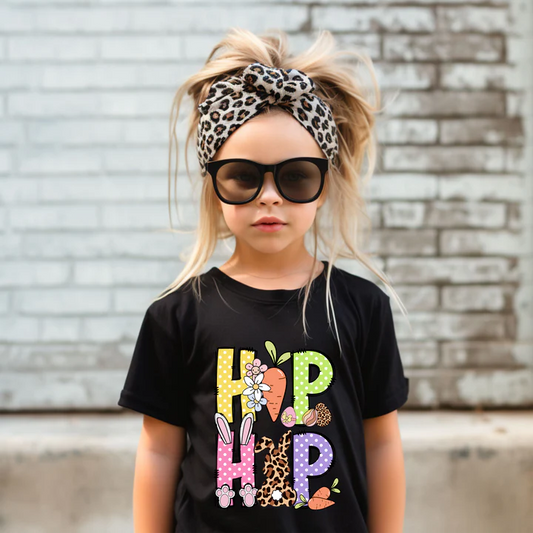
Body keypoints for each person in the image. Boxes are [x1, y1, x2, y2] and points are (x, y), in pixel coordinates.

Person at [118, 27, 410, 533]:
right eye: (243, 176)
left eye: (296, 176)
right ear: (214, 188)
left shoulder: (362, 308)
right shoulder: (176, 316)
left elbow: (381, 442)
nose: (269, 196)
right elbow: (159, 451)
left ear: (324, 186)